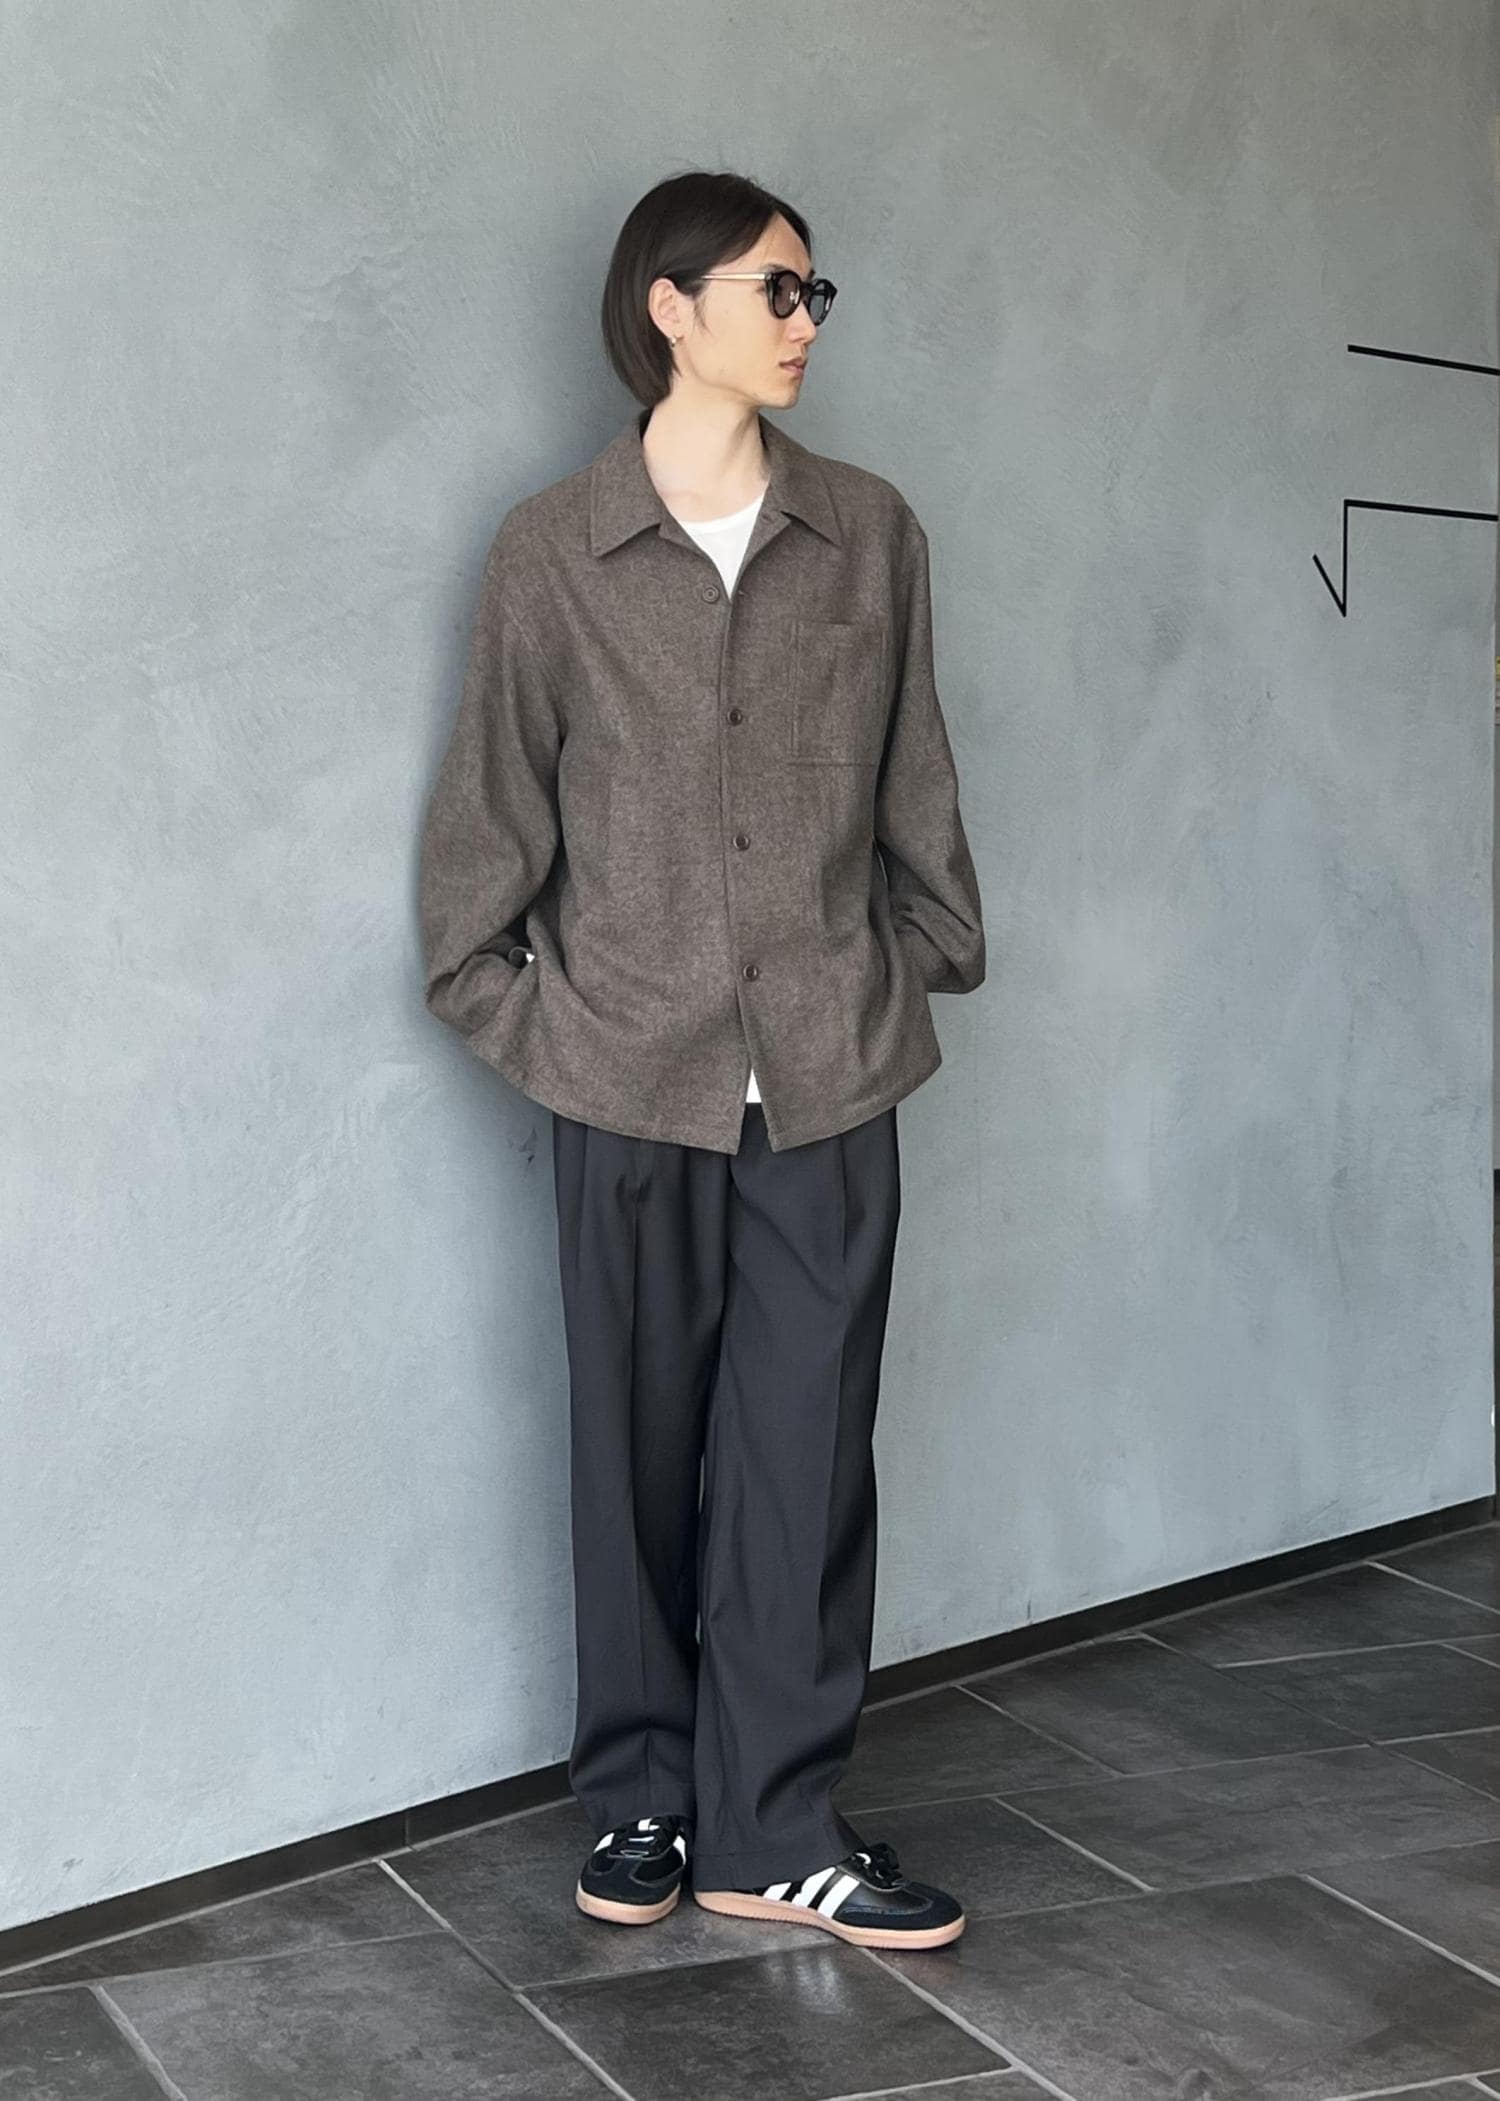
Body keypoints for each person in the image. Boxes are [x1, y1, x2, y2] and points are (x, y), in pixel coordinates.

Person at [418, 169, 985, 1950]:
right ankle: (643, 1795)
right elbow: (482, 850)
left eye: (817, 294)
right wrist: (558, 1035)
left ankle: (777, 1823)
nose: (807, 321)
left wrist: (900, 976)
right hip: (627, 1083)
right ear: (672, 306)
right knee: (635, 1455)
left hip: (828, 1077)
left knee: (805, 1464)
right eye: (777, 288)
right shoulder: (550, 552)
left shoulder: (871, 534)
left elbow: (918, 791)